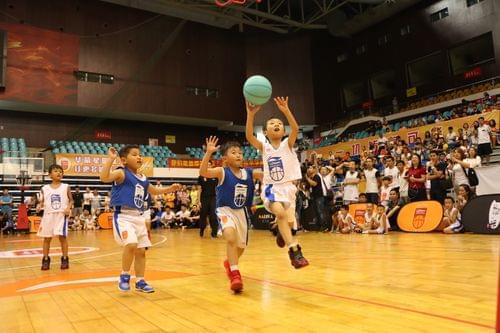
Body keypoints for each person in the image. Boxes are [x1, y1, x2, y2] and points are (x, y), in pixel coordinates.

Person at [100, 145, 181, 293]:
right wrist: (111, 160)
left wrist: (169, 189)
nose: (139, 157)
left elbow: (154, 191)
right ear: (123, 160)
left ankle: (140, 281)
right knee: (131, 244)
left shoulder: (143, 178)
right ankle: (124, 276)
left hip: (138, 217)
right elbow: (104, 177)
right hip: (123, 216)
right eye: (134, 154)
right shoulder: (121, 173)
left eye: (140, 155)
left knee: (141, 251)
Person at [246, 96, 309, 269]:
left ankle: (282, 233)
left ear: (283, 131)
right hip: (271, 188)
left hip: (288, 188)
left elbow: (295, 128)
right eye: (272, 123)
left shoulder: (287, 144)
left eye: (279, 123)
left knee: (289, 224)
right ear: (265, 132)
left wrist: (286, 111)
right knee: (280, 214)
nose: (276, 124)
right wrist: (250, 114)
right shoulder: (264, 147)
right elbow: (249, 136)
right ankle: (295, 252)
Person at [199, 136, 262, 292]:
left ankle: (229, 263)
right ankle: (235, 274)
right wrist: (208, 153)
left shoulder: (248, 173)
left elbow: (263, 174)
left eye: (240, 152)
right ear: (225, 159)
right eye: (234, 152)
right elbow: (203, 172)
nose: (239, 155)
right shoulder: (222, 172)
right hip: (225, 210)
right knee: (230, 237)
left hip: (241, 212)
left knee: (241, 247)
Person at [36, 164, 74, 270]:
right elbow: (41, 202)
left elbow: (71, 200)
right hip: (48, 215)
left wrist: (68, 208)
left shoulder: (66, 186)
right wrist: (39, 206)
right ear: (50, 175)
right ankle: (46, 259)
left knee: (62, 238)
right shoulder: (45, 188)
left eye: (61, 171)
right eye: (56, 171)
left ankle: (65, 258)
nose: (59, 173)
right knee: (47, 238)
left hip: (61, 215)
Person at [198, 161, 218, 238]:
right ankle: (202, 230)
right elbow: (199, 189)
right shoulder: (201, 176)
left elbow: (218, 188)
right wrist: (199, 201)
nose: (208, 166)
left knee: (213, 215)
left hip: (213, 198)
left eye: (210, 165)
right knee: (203, 215)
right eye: (207, 164)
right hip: (204, 198)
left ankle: (214, 233)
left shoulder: (215, 176)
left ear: (212, 166)